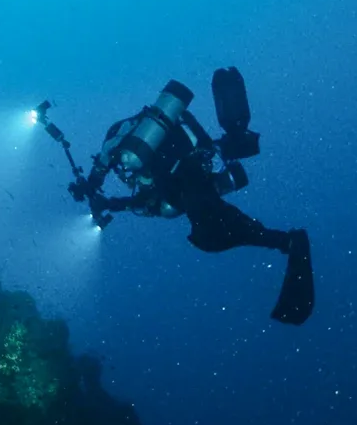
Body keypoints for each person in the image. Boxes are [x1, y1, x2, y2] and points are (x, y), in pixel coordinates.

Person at [37, 68, 315, 324]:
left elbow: (105, 163)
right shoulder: (148, 149)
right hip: (193, 173)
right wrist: (109, 202)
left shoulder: (121, 141)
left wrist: (93, 186)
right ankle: (285, 242)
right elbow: (148, 201)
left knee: (212, 224)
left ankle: (287, 241)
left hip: (187, 177)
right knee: (212, 223)